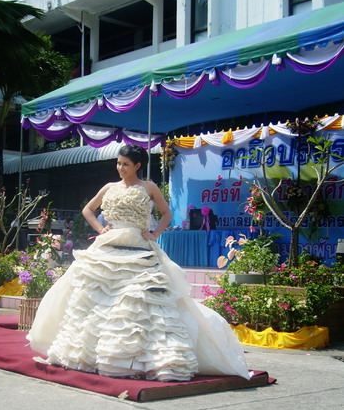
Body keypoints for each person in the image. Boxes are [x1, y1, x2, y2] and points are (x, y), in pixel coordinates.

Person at [28, 145, 250, 382]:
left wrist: (154, 234)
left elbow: (167, 214)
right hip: (108, 246)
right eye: (118, 163)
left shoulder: (149, 187)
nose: (120, 168)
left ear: (138, 165)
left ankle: (144, 358)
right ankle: (89, 355)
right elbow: (87, 210)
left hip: (139, 247)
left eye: (125, 164)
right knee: (95, 297)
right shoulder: (109, 187)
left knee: (138, 301)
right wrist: (100, 229)